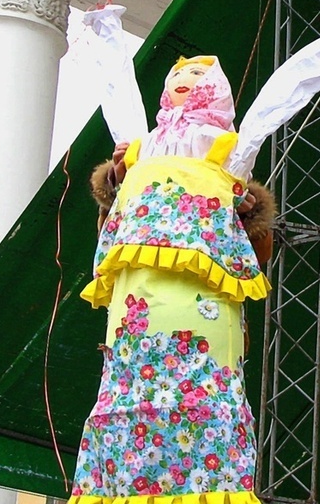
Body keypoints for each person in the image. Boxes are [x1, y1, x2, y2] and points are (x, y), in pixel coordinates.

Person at [70, 55, 274, 503]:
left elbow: (257, 256)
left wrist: (245, 213)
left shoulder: (226, 152)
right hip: (135, 329)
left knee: (205, 413)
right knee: (127, 415)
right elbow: (111, 233)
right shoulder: (141, 151)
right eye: (178, 75)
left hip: (202, 325)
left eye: (197, 75)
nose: (184, 82)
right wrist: (117, 181)